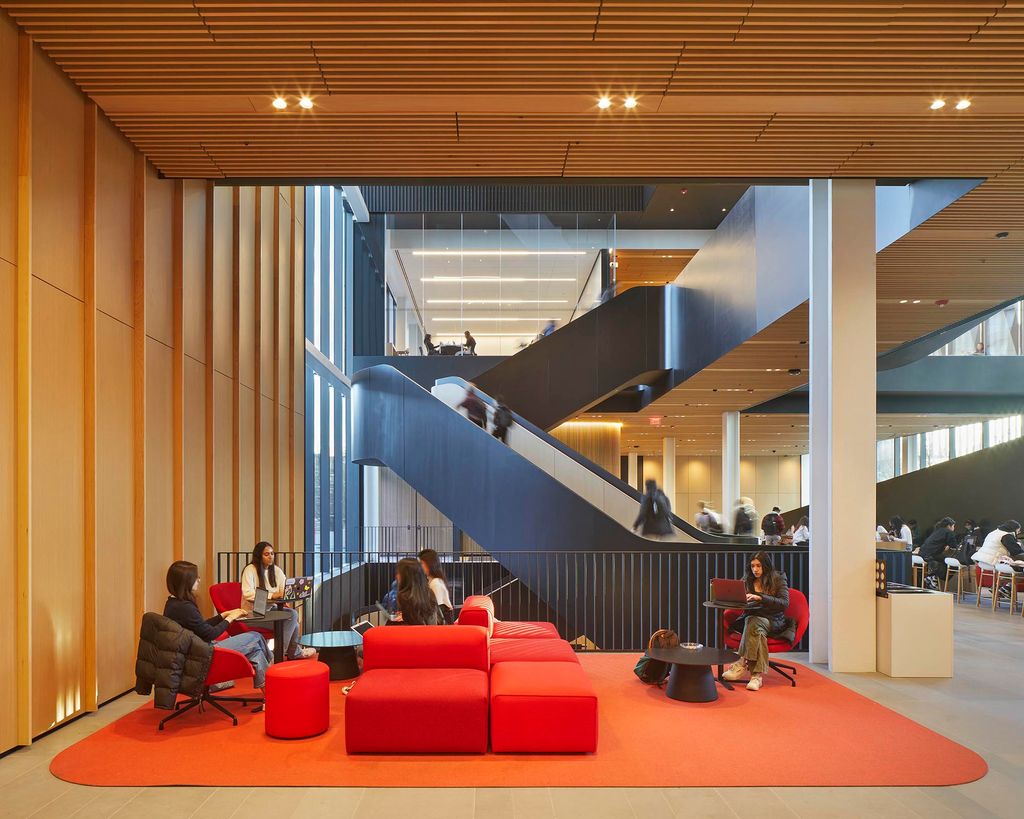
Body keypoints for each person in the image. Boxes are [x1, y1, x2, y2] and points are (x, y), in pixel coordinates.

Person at [163, 560, 272, 690]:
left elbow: (200, 627)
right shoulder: (185, 607)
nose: (199, 580)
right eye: (195, 577)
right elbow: (210, 634)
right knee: (255, 636)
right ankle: (272, 669)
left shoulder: (173, 603)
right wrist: (230, 618)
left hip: (195, 650)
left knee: (256, 651)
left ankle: (269, 694)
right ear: (186, 581)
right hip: (204, 653)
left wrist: (222, 615)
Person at [722, 551, 793, 692]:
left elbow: (784, 603)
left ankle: (741, 662)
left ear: (766, 566)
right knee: (755, 627)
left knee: (753, 622)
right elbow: (740, 599)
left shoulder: (778, 578)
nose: (755, 569)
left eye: (759, 566)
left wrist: (760, 597)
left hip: (773, 620)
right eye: (753, 566)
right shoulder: (748, 579)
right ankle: (756, 676)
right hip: (752, 620)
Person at [240, 542, 314, 660]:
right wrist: (272, 595)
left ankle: (285, 653)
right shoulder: (250, 570)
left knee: (293, 616)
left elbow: (284, 588)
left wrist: (288, 593)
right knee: (292, 619)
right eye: (266, 554)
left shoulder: (276, 570)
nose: (270, 556)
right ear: (259, 556)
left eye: (272, 553)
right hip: (252, 615)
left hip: (269, 610)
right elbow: (248, 594)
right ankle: (283, 654)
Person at [390, 558, 441, 625]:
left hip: (416, 634)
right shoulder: (429, 592)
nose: (397, 576)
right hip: (432, 632)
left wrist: (404, 618)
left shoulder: (404, 596)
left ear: (406, 576)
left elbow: (413, 625)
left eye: (399, 573)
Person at [919, 517, 957, 589]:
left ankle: (933, 577)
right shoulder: (949, 532)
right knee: (951, 562)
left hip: (922, 553)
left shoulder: (937, 530)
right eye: (953, 526)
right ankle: (933, 577)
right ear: (949, 525)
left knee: (942, 560)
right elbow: (954, 546)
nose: (954, 528)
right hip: (932, 555)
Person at [418, 548, 454, 624]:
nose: (419, 567)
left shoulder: (435, 583)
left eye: (421, 563)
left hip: (440, 626)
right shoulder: (433, 580)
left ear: (429, 564)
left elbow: (433, 610)